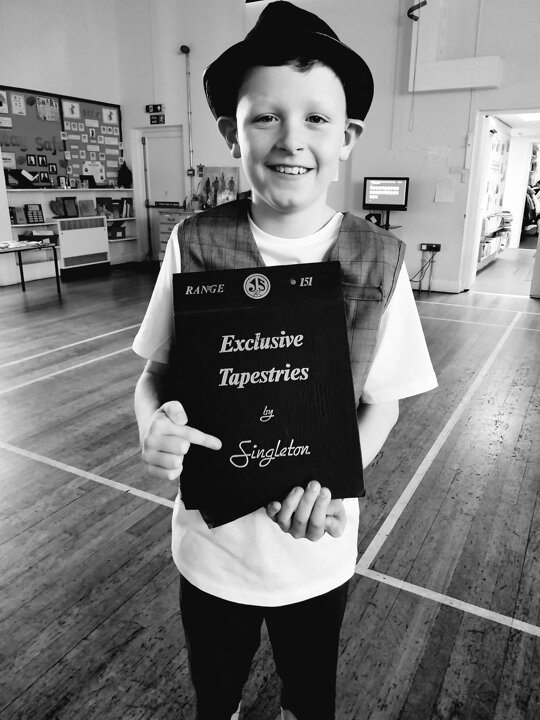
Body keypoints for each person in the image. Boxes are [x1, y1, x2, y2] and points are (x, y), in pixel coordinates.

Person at [133, 3, 437, 719]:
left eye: (316, 119)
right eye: (265, 117)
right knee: (215, 695)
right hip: (211, 549)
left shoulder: (379, 259)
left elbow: (383, 401)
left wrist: (333, 479)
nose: (290, 139)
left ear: (347, 137)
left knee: (310, 694)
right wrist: (153, 425)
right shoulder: (192, 243)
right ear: (230, 133)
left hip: (317, 548)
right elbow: (154, 376)